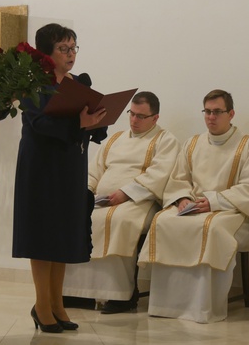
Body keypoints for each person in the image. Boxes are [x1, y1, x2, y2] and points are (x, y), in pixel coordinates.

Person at [138, 89, 249, 323]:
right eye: (207, 111)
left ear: (231, 114)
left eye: (217, 112)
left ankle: (202, 307)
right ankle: (166, 304)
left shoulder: (247, 145)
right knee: (163, 220)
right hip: (194, 206)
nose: (211, 117)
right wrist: (182, 198)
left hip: (231, 211)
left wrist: (213, 202)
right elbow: (178, 179)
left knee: (213, 229)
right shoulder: (193, 143)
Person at [13, 23, 108, 333]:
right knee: (43, 236)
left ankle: (57, 304)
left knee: (63, 235)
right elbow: (39, 123)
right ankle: (42, 306)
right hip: (41, 167)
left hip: (70, 166)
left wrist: (94, 120)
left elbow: (91, 127)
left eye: (73, 48)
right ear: (46, 53)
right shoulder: (33, 84)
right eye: (63, 49)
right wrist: (78, 124)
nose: (70, 55)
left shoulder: (78, 83)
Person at [62, 92, 180, 314]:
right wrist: (85, 191)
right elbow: (94, 170)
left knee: (120, 221)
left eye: (141, 117)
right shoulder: (116, 138)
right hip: (102, 200)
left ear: (155, 118)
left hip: (138, 200)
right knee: (76, 214)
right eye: (131, 114)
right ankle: (78, 293)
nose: (134, 121)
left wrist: (126, 193)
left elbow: (160, 174)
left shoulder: (165, 140)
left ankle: (121, 296)